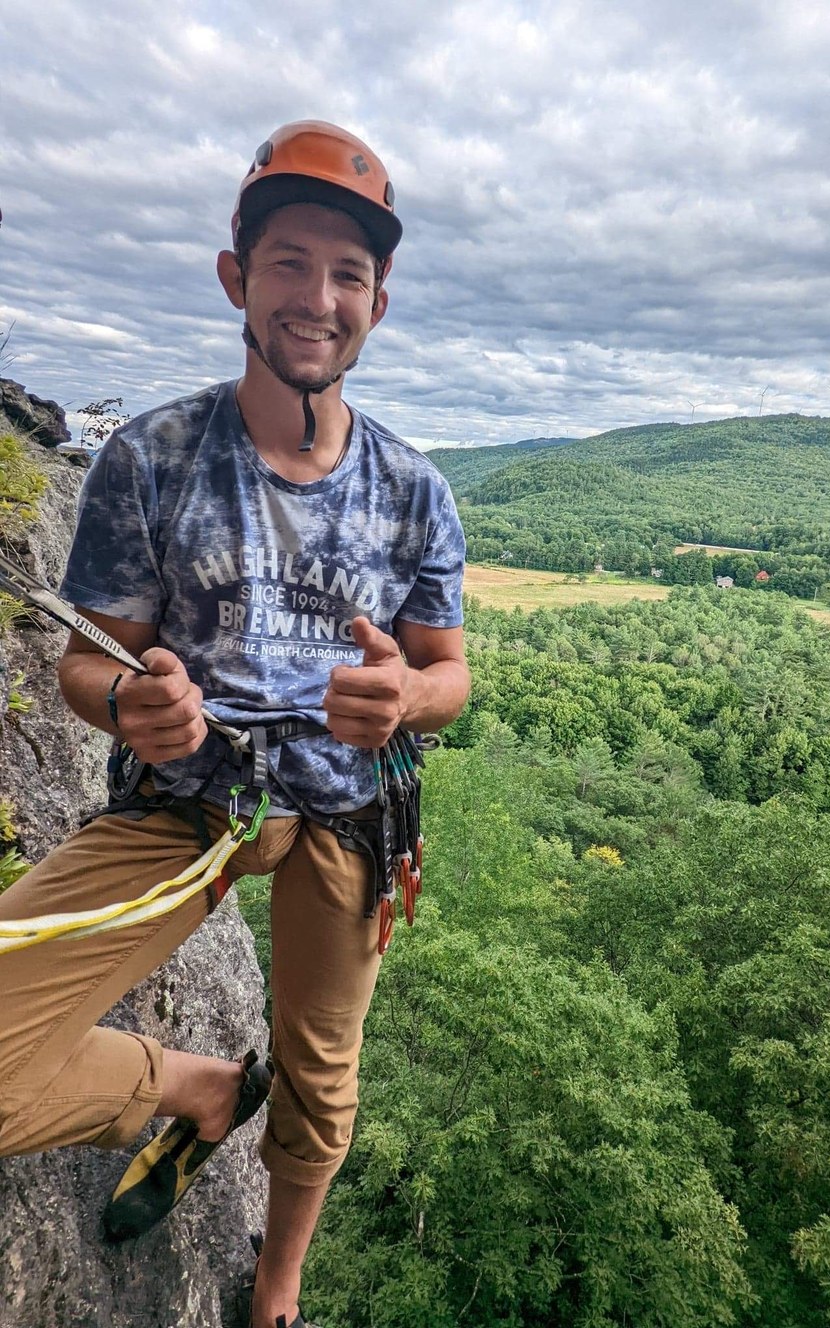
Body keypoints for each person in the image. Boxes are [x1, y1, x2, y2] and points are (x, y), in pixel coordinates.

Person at [0, 120, 469, 1328]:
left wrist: (405, 697)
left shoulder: (415, 489)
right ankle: (193, 1088)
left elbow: (449, 672)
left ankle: (275, 1289)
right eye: (290, 262)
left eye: (349, 273)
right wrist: (137, 704)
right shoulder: (151, 459)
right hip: (194, 795)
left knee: (321, 1074)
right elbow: (83, 668)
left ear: (379, 300)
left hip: (352, 810)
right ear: (236, 278)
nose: (319, 297)